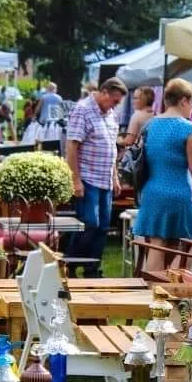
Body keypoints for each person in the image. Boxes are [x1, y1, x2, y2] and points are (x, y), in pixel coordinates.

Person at [133, 78, 192, 272]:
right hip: (178, 193)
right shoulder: (188, 128)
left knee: (157, 242)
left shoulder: (150, 126)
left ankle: (153, 292)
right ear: (184, 100)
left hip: (151, 191)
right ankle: (173, 281)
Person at [65, 76, 128, 277]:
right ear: (104, 93)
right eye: (115, 101)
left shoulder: (111, 115)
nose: (115, 106)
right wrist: (75, 179)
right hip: (88, 177)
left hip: (105, 180)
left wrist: (115, 177)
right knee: (89, 223)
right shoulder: (82, 110)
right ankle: (70, 263)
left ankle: (93, 268)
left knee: (102, 227)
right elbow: (72, 147)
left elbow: (110, 147)